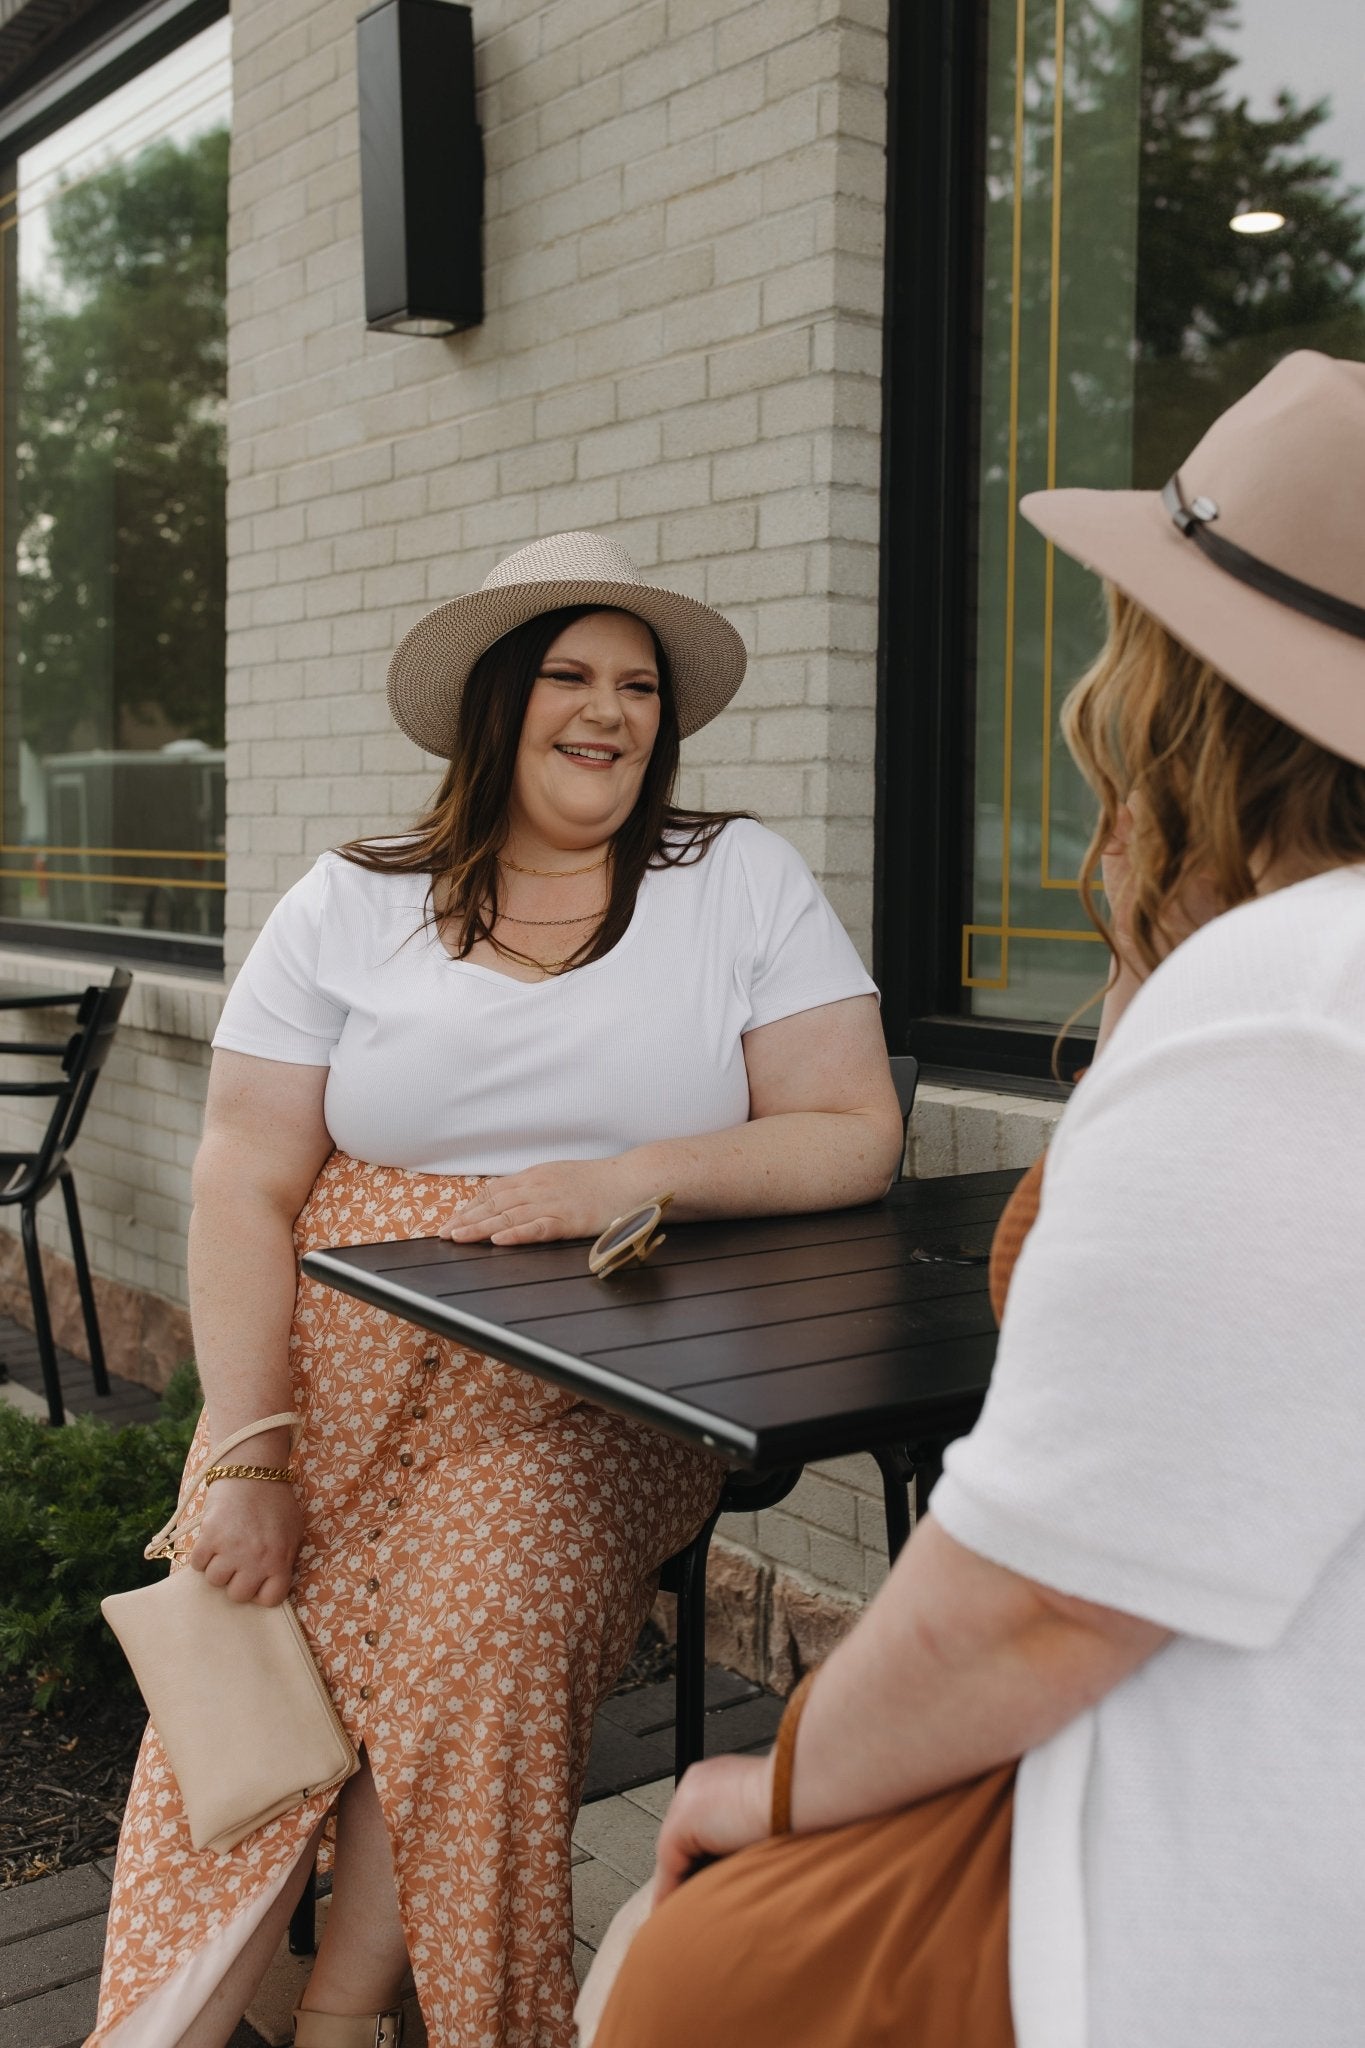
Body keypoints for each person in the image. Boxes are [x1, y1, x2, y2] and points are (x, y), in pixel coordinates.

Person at [580, 351, 1365, 2048]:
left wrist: (778, 1790)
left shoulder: (1291, 999)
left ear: (1183, 689)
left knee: (675, 1960)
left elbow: (1039, 1600)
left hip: (1193, 1894)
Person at [88, 530, 904, 2048]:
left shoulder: (731, 878)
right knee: (249, 1610)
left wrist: (630, 1177)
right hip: (339, 1349)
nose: (609, 711)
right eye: (569, 676)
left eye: (639, 686)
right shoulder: (348, 898)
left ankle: (365, 2007)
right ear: (492, 703)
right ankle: (181, 2015)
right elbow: (244, 1174)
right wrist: (248, 1447)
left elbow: (853, 1129)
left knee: (482, 1610)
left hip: (603, 1358)